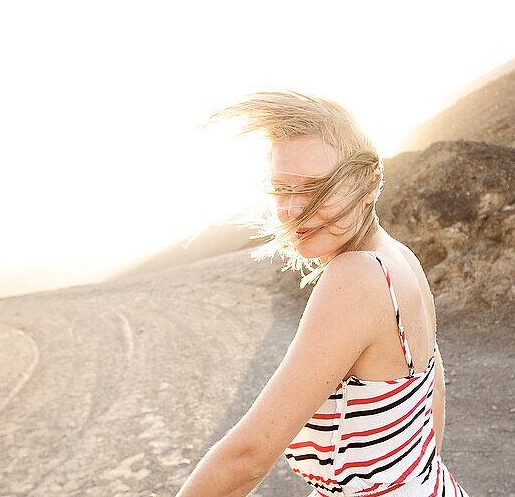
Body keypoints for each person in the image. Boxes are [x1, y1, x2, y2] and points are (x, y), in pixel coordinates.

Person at [176, 91, 469, 497]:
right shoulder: (400, 258)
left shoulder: (357, 275)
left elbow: (248, 455)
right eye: (282, 188)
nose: (295, 208)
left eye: (318, 188)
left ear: (370, 184)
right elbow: (430, 390)